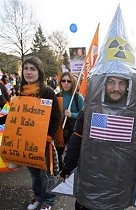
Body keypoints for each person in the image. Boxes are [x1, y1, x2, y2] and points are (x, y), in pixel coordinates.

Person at [60, 75, 136, 210]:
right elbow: (77, 139)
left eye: (121, 83)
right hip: (89, 183)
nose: (116, 88)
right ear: (103, 84)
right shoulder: (91, 110)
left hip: (117, 187)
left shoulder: (135, 114)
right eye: (111, 82)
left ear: (127, 86)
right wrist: (68, 167)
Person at [19, 56, 61, 210]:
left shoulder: (48, 91)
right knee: (34, 173)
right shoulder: (21, 92)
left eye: (32, 69)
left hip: (44, 141)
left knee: (47, 175)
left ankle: (48, 201)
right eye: (26, 68)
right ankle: (37, 197)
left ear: (39, 72)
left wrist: (49, 136)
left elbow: (56, 116)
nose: (28, 72)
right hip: (27, 141)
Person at [55, 71, 84, 171]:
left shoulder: (77, 97)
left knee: (72, 153)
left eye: (69, 81)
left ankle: (70, 172)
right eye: (63, 81)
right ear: (60, 83)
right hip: (60, 129)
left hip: (73, 129)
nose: (66, 83)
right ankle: (60, 171)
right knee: (59, 151)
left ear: (72, 83)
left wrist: (72, 114)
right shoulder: (57, 96)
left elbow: (84, 114)